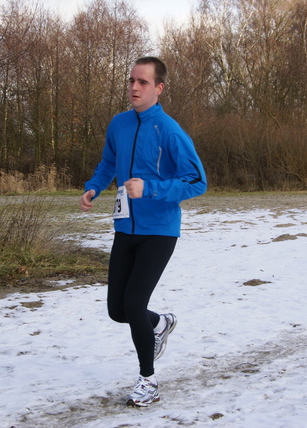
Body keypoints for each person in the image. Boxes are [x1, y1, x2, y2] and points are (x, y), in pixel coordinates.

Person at [80, 56, 207, 407]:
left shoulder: (169, 131)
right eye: (132, 81)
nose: (135, 88)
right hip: (125, 226)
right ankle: (159, 323)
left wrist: (150, 188)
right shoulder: (119, 124)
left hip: (160, 230)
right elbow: (108, 162)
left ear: (159, 88)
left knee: (134, 303)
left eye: (143, 82)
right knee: (118, 310)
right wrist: (94, 187)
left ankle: (147, 381)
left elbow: (197, 181)